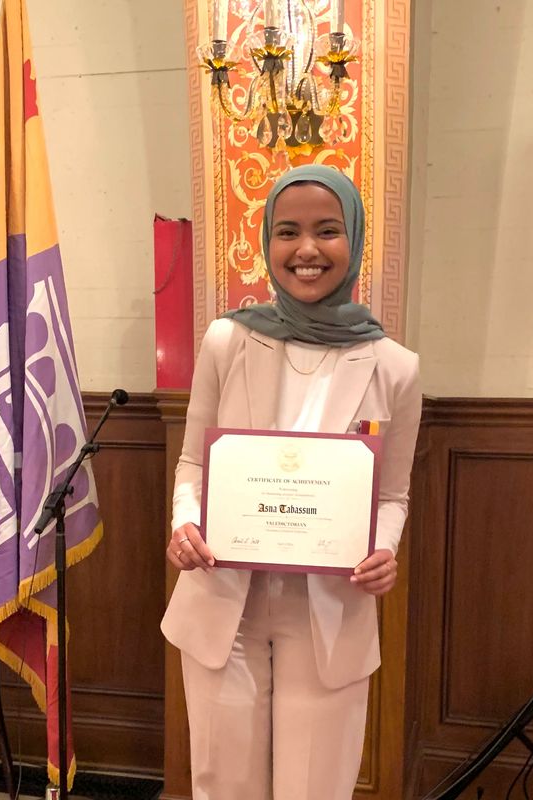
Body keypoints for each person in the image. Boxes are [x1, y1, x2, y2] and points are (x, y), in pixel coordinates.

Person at [161, 164, 422, 800]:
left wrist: (384, 549)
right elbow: (195, 461)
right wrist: (184, 524)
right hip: (225, 596)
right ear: (268, 244)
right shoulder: (228, 340)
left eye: (327, 231)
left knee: (315, 785)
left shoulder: (395, 367)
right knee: (224, 784)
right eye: (288, 232)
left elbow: (391, 494)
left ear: (353, 241)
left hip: (328, 606)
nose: (306, 250)